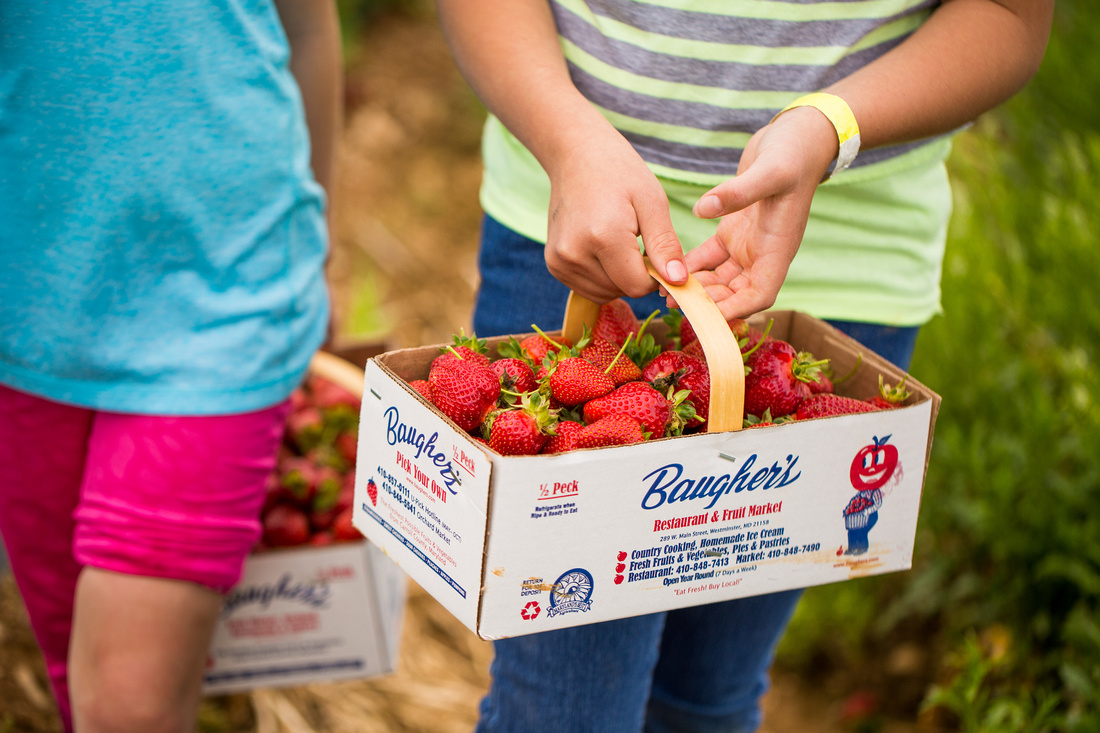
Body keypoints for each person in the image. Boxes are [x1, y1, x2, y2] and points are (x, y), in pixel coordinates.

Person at [434, 0, 1053, 731]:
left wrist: (827, 127)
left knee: (704, 697)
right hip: (574, 225)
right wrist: (567, 139)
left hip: (840, 258)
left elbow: (1008, 16)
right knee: (564, 710)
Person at [0, 1, 341, 731]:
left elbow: (306, 23)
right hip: (27, 306)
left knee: (126, 706)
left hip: (222, 292)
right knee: (69, 662)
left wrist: (318, 235)